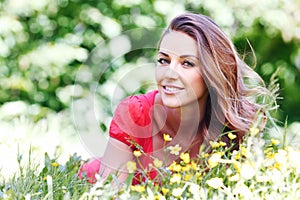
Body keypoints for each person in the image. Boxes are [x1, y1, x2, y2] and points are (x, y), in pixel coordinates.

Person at [78, 12, 269, 184]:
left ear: (212, 73)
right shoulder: (136, 113)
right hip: (90, 181)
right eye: (164, 60)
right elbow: (110, 194)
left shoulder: (238, 124)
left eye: (187, 63)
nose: (169, 73)